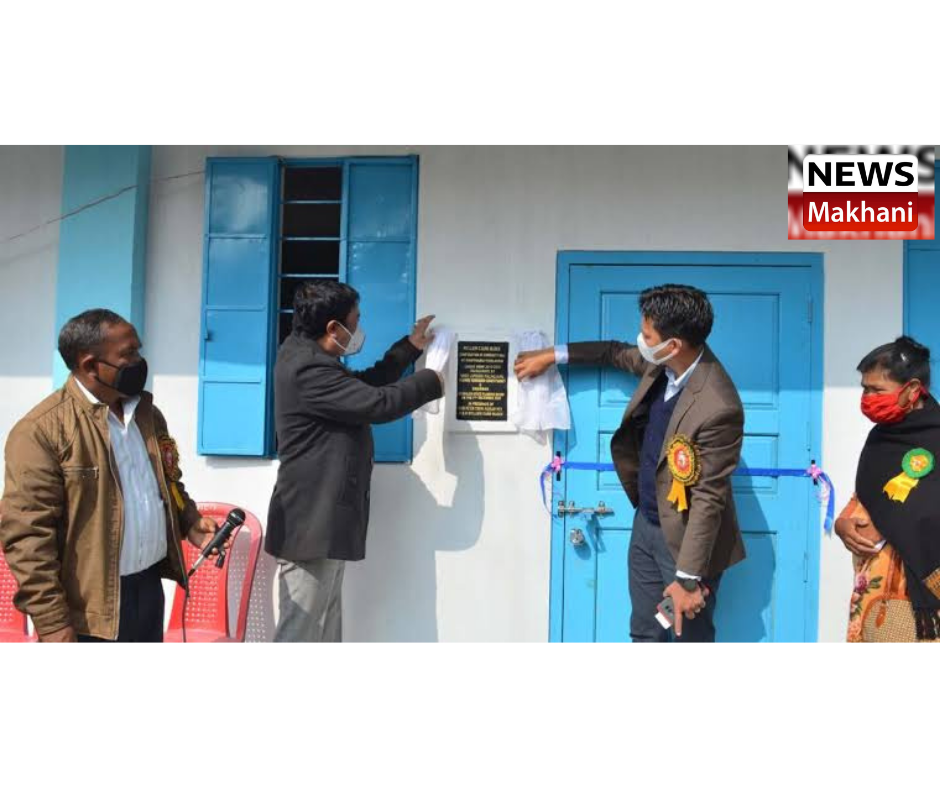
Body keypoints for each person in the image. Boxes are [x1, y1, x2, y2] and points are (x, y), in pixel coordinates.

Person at [514, 284, 745, 642]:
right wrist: (551, 355)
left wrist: (687, 579)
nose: (641, 340)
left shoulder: (719, 405)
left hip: (686, 543)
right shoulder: (661, 364)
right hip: (647, 526)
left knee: (689, 637)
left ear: (673, 345)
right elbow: (612, 352)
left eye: (647, 335)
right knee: (645, 632)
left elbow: (708, 498)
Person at [0, 309, 225, 642]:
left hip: (148, 591)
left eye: (138, 350)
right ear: (91, 365)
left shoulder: (147, 415)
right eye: (128, 354)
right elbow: (27, 538)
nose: (139, 361)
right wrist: (53, 623)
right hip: (87, 611)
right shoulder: (41, 431)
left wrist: (189, 520)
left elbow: (168, 482)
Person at [265, 281, 445, 642]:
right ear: (333, 327)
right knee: (300, 633)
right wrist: (432, 379)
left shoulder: (308, 356)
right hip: (310, 523)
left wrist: (409, 348)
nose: (359, 328)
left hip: (323, 523)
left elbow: (363, 386)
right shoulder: (307, 368)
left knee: (326, 628)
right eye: (355, 320)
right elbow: (377, 404)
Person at [834, 336, 940, 642]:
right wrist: (843, 524)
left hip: (926, 589)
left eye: (877, 390)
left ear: (912, 389)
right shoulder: (880, 440)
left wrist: (907, 520)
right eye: (864, 388)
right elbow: (868, 497)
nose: (867, 398)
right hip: (878, 593)